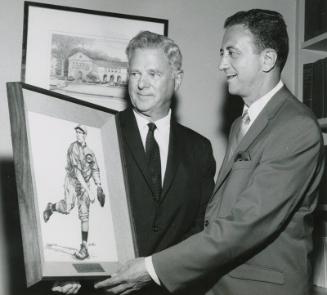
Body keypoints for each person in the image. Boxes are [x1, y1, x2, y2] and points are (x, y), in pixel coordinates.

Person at [93, 9, 325, 295]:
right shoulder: (242, 124)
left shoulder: (296, 127)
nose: (221, 64)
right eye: (221, 53)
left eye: (232, 53)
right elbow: (215, 216)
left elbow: (246, 224)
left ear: (267, 59)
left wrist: (153, 268)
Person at [52, 31, 216, 294]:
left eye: (153, 74)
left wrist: (156, 271)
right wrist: (66, 270)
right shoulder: (100, 134)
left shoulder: (199, 149)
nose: (141, 84)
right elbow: (81, 202)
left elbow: (201, 228)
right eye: (135, 73)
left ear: (177, 79)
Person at [43, 124, 105, 260]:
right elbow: (77, 172)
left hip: (85, 184)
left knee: (84, 214)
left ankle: (84, 247)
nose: (78, 135)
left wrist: (99, 186)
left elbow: (95, 169)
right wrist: (89, 191)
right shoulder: (73, 148)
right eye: (76, 132)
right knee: (67, 207)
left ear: (85, 135)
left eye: (80, 132)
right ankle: (51, 207)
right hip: (72, 181)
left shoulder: (90, 152)